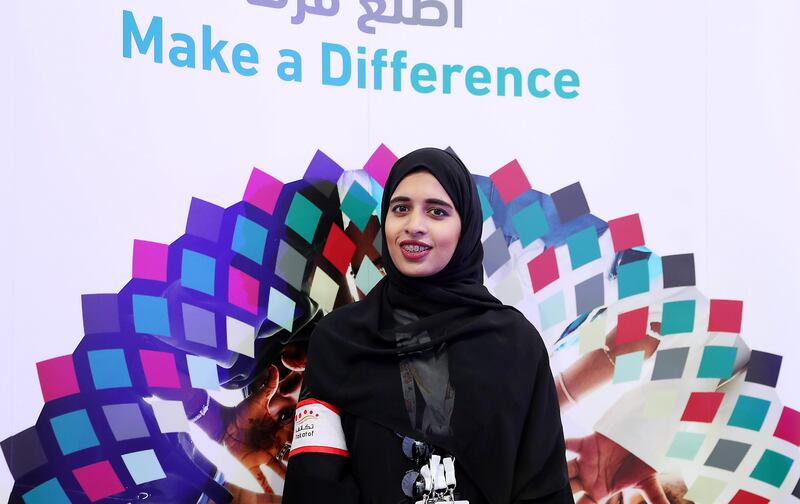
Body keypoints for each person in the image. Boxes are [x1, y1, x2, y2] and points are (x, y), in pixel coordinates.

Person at [283, 147, 574, 503]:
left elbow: (543, 488)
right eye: (400, 208)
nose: (414, 225)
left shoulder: (515, 344)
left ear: (465, 226)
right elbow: (315, 484)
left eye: (437, 211)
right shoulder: (339, 340)